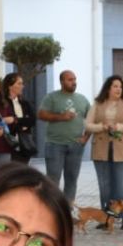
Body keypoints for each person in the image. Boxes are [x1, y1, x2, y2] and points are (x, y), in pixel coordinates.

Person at [85, 75, 123, 216]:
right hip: (101, 149)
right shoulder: (97, 104)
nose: (118, 89)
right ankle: (107, 217)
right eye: (115, 86)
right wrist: (101, 126)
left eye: (120, 87)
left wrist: (119, 127)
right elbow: (88, 125)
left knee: (122, 186)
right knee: (105, 187)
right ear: (108, 88)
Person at [37, 69, 90, 203]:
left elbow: (91, 119)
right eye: (70, 80)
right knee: (53, 179)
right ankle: (52, 208)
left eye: (74, 79)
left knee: (72, 179)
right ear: (62, 81)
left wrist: (86, 137)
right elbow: (41, 114)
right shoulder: (52, 97)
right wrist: (61, 117)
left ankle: (68, 209)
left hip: (76, 145)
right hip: (55, 144)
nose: (74, 82)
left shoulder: (82, 99)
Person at [0, 72, 36, 165]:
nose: (22, 86)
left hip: (24, 145)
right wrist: (22, 125)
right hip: (7, 145)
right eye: (19, 83)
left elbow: (32, 120)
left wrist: (15, 120)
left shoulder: (25, 103)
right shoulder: (2, 103)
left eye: (22, 83)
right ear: (10, 86)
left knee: (21, 171)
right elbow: (3, 121)